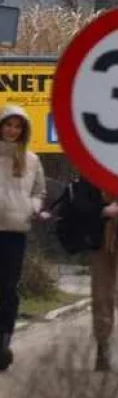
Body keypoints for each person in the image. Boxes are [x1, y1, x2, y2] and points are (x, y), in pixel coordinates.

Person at [69, 179, 118, 371]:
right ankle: (102, 347)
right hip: (99, 241)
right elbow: (80, 204)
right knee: (101, 296)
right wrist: (102, 211)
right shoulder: (90, 173)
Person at [0, 106, 45, 372]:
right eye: (8, 125)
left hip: (15, 231)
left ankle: (4, 342)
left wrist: (33, 207)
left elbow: (40, 191)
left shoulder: (32, 160)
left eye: (18, 126)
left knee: (8, 289)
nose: (12, 130)